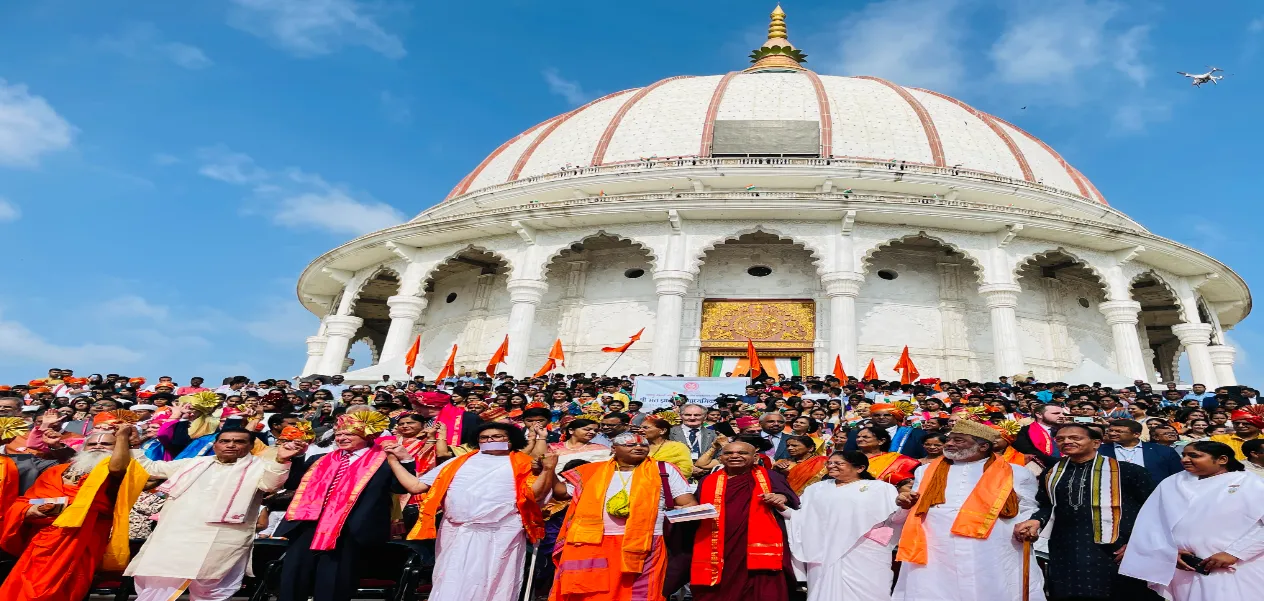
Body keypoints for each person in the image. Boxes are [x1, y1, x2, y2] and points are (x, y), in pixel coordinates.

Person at [125, 426, 303, 601]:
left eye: (239, 441)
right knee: (159, 578)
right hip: (176, 532)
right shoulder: (194, 463)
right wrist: (133, 445)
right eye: (224, 441)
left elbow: (270, 484)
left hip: (221, 537)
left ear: (251, 446)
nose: (230, 445)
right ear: (215, 444)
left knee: (213, 589)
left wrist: (281, 460)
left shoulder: (261, 467)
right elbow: (150, 467)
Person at [401, 422, 557, 601]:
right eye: (484, 437)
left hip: (501, 531)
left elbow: (535, 496)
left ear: (511, 440)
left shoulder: (524, 462)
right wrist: (394, 460)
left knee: (494, 577)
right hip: (456, 530)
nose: (490, 440)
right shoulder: (457, 461)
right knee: (451, 577)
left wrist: (547, 470)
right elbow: (416, 486)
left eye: (496, 436)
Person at [893, 420, 1044, 601]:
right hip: (937, 545)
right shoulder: (924, 470)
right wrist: (906, 502)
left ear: (983, 446)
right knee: (934, 587)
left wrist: (1028, 527)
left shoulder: (1017, 472)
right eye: (950, 439)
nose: (949, 444)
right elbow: (916, 501)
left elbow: (1027, 508)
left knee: (993, 587)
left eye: (959, 440)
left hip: (992, 545)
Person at [273, 410, 416, 601]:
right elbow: (293, 484)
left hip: (351, 530)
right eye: (338, 434)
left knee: (333, 585)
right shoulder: (320, 459)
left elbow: (400, 487)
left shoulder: (384, 460)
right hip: (308, 524)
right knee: (293, 581)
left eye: (348, 434)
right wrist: (291, 459)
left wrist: (406, 460)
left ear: (366, 435)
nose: (341, 438)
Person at [1014, 423, 1158, 601]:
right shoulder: (1051, 473)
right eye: (1060, 439)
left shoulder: (1129, 471)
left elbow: (1154, 510)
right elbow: (1047, 505)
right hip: (1066, 549)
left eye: (1075, 438)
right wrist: (1037, 520)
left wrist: (1138, 544)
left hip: (1118, 549)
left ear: (1096, 443)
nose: (1066, 442)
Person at [0, 429, 148, 601]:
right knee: (24, 587)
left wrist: (122, 437)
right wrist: (29, 510)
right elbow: (28, 500)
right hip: (43, 540)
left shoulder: (120, 473)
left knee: (63, 589)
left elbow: (117, 467)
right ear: (82, 448)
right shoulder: (55, 471)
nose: (97, 447)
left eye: (107, 444)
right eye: (92, 444)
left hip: (82, 540)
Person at [549, 433, 697, 601]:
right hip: (593, 542)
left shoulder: (663, 469)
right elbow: (562, 493)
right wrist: (549, 470)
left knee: (639, 593)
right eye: (630, 444)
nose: (638, 447)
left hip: (646, 543)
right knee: (591, 592)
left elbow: (687, 503)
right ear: (614, 448)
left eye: (643, 445)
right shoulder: (592, 470)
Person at [1120, 441, 1264, 601]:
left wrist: (1235, 553)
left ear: (1222, 459)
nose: (1185, 459)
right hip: (1184, 568)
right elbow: (1152, 524)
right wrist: (1166, 551)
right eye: (1184, 455)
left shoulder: (1251, 483)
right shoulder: (1171, 483)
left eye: (1194, 455)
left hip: (1236, 566)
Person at [688, 440, 799, 601]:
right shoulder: (708, 480)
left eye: (742, 453)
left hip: (758, 543)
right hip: (719, 543)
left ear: (755, 458)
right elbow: (699, 507)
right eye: (728, 453)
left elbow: (790, 499)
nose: (735, 456)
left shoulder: (770, 476)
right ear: (721, 457)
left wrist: (780, 497)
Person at [785, 451, 900, 601]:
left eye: (838, 463)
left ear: (860, 468)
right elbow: (804, 518)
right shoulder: (816, 489)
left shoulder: (880, 488)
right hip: (823, 549)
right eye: (829, 463)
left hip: (864, 549)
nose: (831, 466)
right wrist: (783, 509)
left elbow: (894, 517)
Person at [1100, 419, 1184, 483]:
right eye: (1110, 431)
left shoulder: (1163, 450)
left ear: (1136, 434)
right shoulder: (1100, 450)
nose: (1112, 434)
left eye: (1118, 431)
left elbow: (1177, 475)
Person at [843, 403, 927, 458]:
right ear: (872, 418)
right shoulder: (856, 433)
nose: (881, 417)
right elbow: (848, 455)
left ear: (896, 417)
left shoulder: (915, 434)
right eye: (876, 415)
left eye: (887, 415)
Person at [854, 426, 919, 485]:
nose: (859, 439)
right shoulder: (849, 456)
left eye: (865, 437)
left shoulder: (898, 459)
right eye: (858, 437)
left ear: (881, 441)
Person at [1013, 403, 1066, 468]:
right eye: (1056, 413)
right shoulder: (1024, 431)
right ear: (1039, 415)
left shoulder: (1069, 430)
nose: (1062, 416)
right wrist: (1057, 462)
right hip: (1042, 466)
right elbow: (1028, 451)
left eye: (1063, 414)